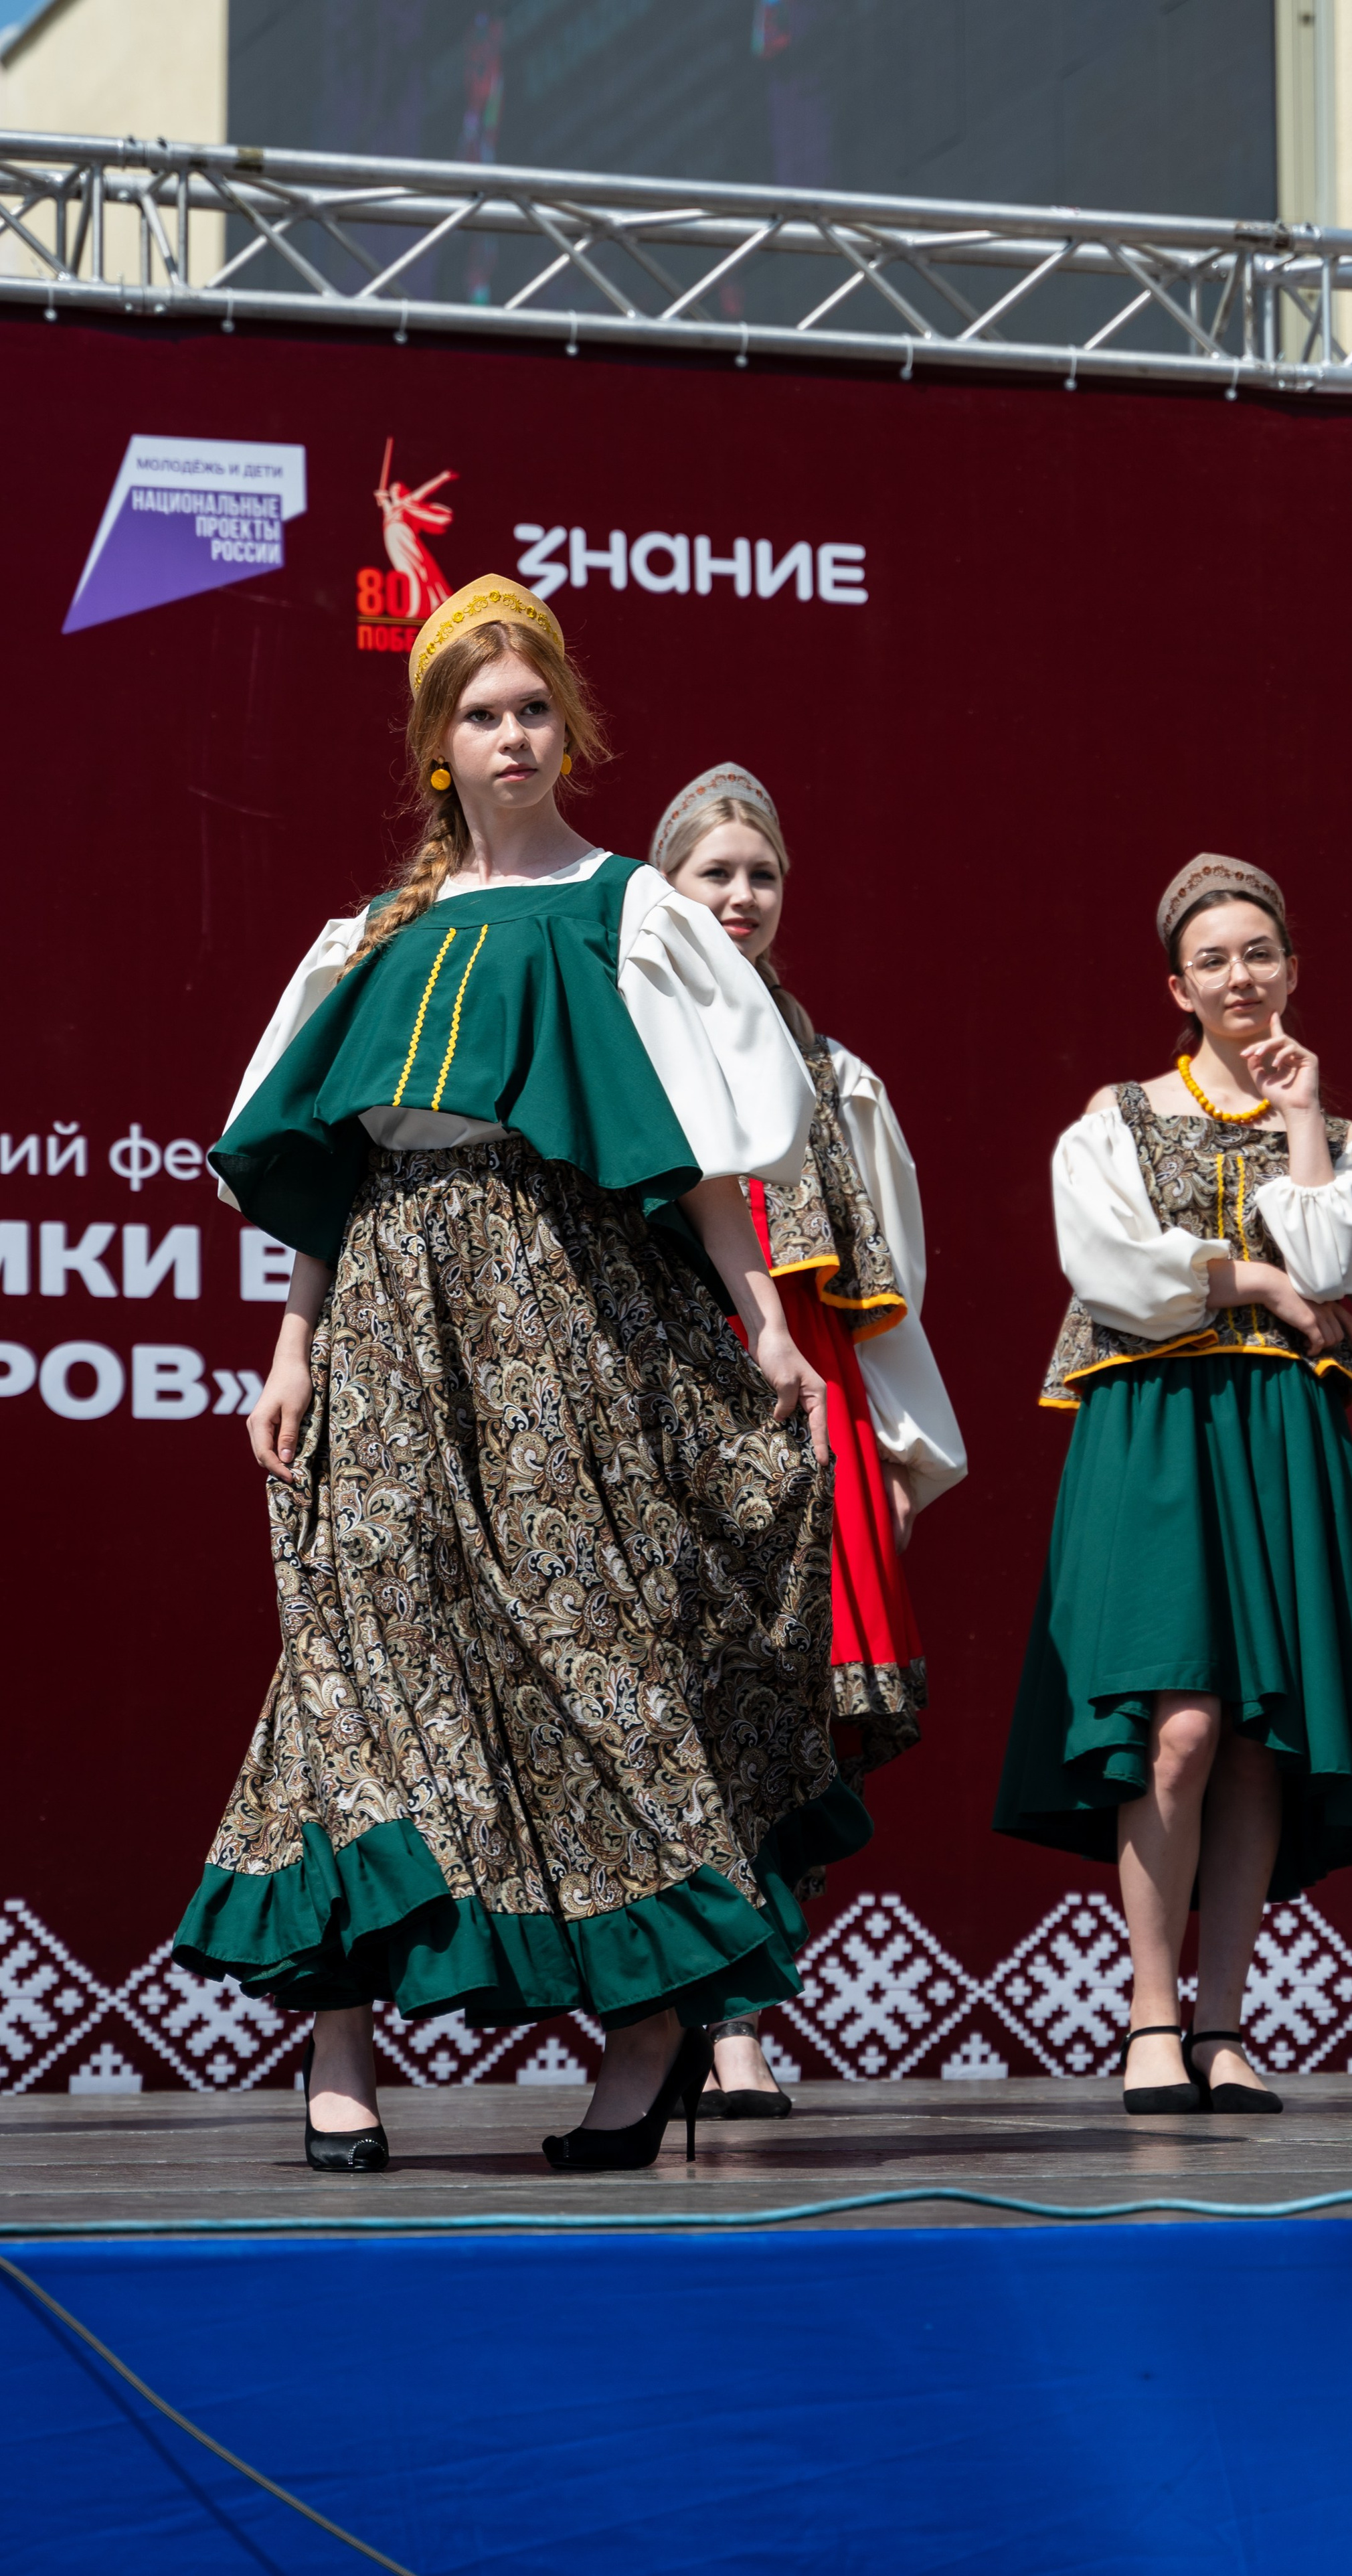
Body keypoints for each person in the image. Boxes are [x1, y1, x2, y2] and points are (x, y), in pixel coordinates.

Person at [173, 576, 869, 2174]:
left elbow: (695, 1141)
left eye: (532, 709)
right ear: (437, 745)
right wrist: (289, 1350)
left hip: (568, 1314)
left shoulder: (630, 912)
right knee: (360, 1649)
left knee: (599, 1648)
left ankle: (643, 2048)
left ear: (570, 728)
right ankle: (337, 2047)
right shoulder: (373, 940)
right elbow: (330, 1178)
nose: (510, 735)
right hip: (392, 1322)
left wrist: (759, 1309)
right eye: (480, 713)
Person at [995, 856, 1352, 2115]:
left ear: (1294, 970)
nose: (1242, 976)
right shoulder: (1113, 1118)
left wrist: (1307, 1119)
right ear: (1179, 987)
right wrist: (1256, 1285)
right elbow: (1116, 1269)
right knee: (1178, 1726)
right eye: (1216, 960)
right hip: (1155, 1428)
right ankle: (1152, 2016)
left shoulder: (1344, 1140)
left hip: (1282, 1437)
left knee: (1262, 1737)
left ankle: (1223, 2020)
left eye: (1261, 953)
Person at [649, 762, 967, 2115]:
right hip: (664, 1389)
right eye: (712, 872)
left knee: (798, 1720)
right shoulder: (623, 1056)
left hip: (814, 1404)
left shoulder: (837, 1081)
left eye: (759, 873)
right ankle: (678, 2020)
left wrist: (898, 1450)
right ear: (660, 891)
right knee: (673, 1709)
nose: (738, 896)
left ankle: (735, 2014)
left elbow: (882, 1295)